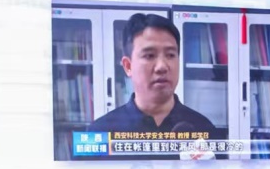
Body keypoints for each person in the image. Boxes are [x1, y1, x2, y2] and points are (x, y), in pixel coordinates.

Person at [87, 13, 218, 139]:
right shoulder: (100, 133)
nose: (162, 66)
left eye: (170, 55)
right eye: (149, 56)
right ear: (128, 66)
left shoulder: (204, 129)